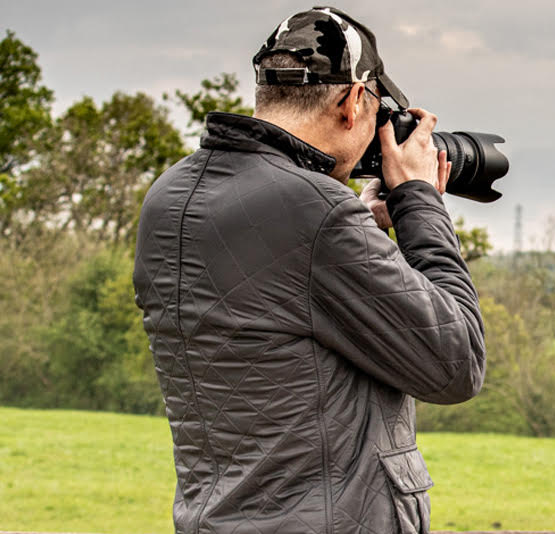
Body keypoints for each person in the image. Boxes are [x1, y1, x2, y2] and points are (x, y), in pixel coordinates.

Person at [132, 7, 485, 533]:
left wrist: (362, 231)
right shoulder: (314, 211)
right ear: (351, 101)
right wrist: (418, 200)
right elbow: (457, 363)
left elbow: (269, 312)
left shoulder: (172, 195)